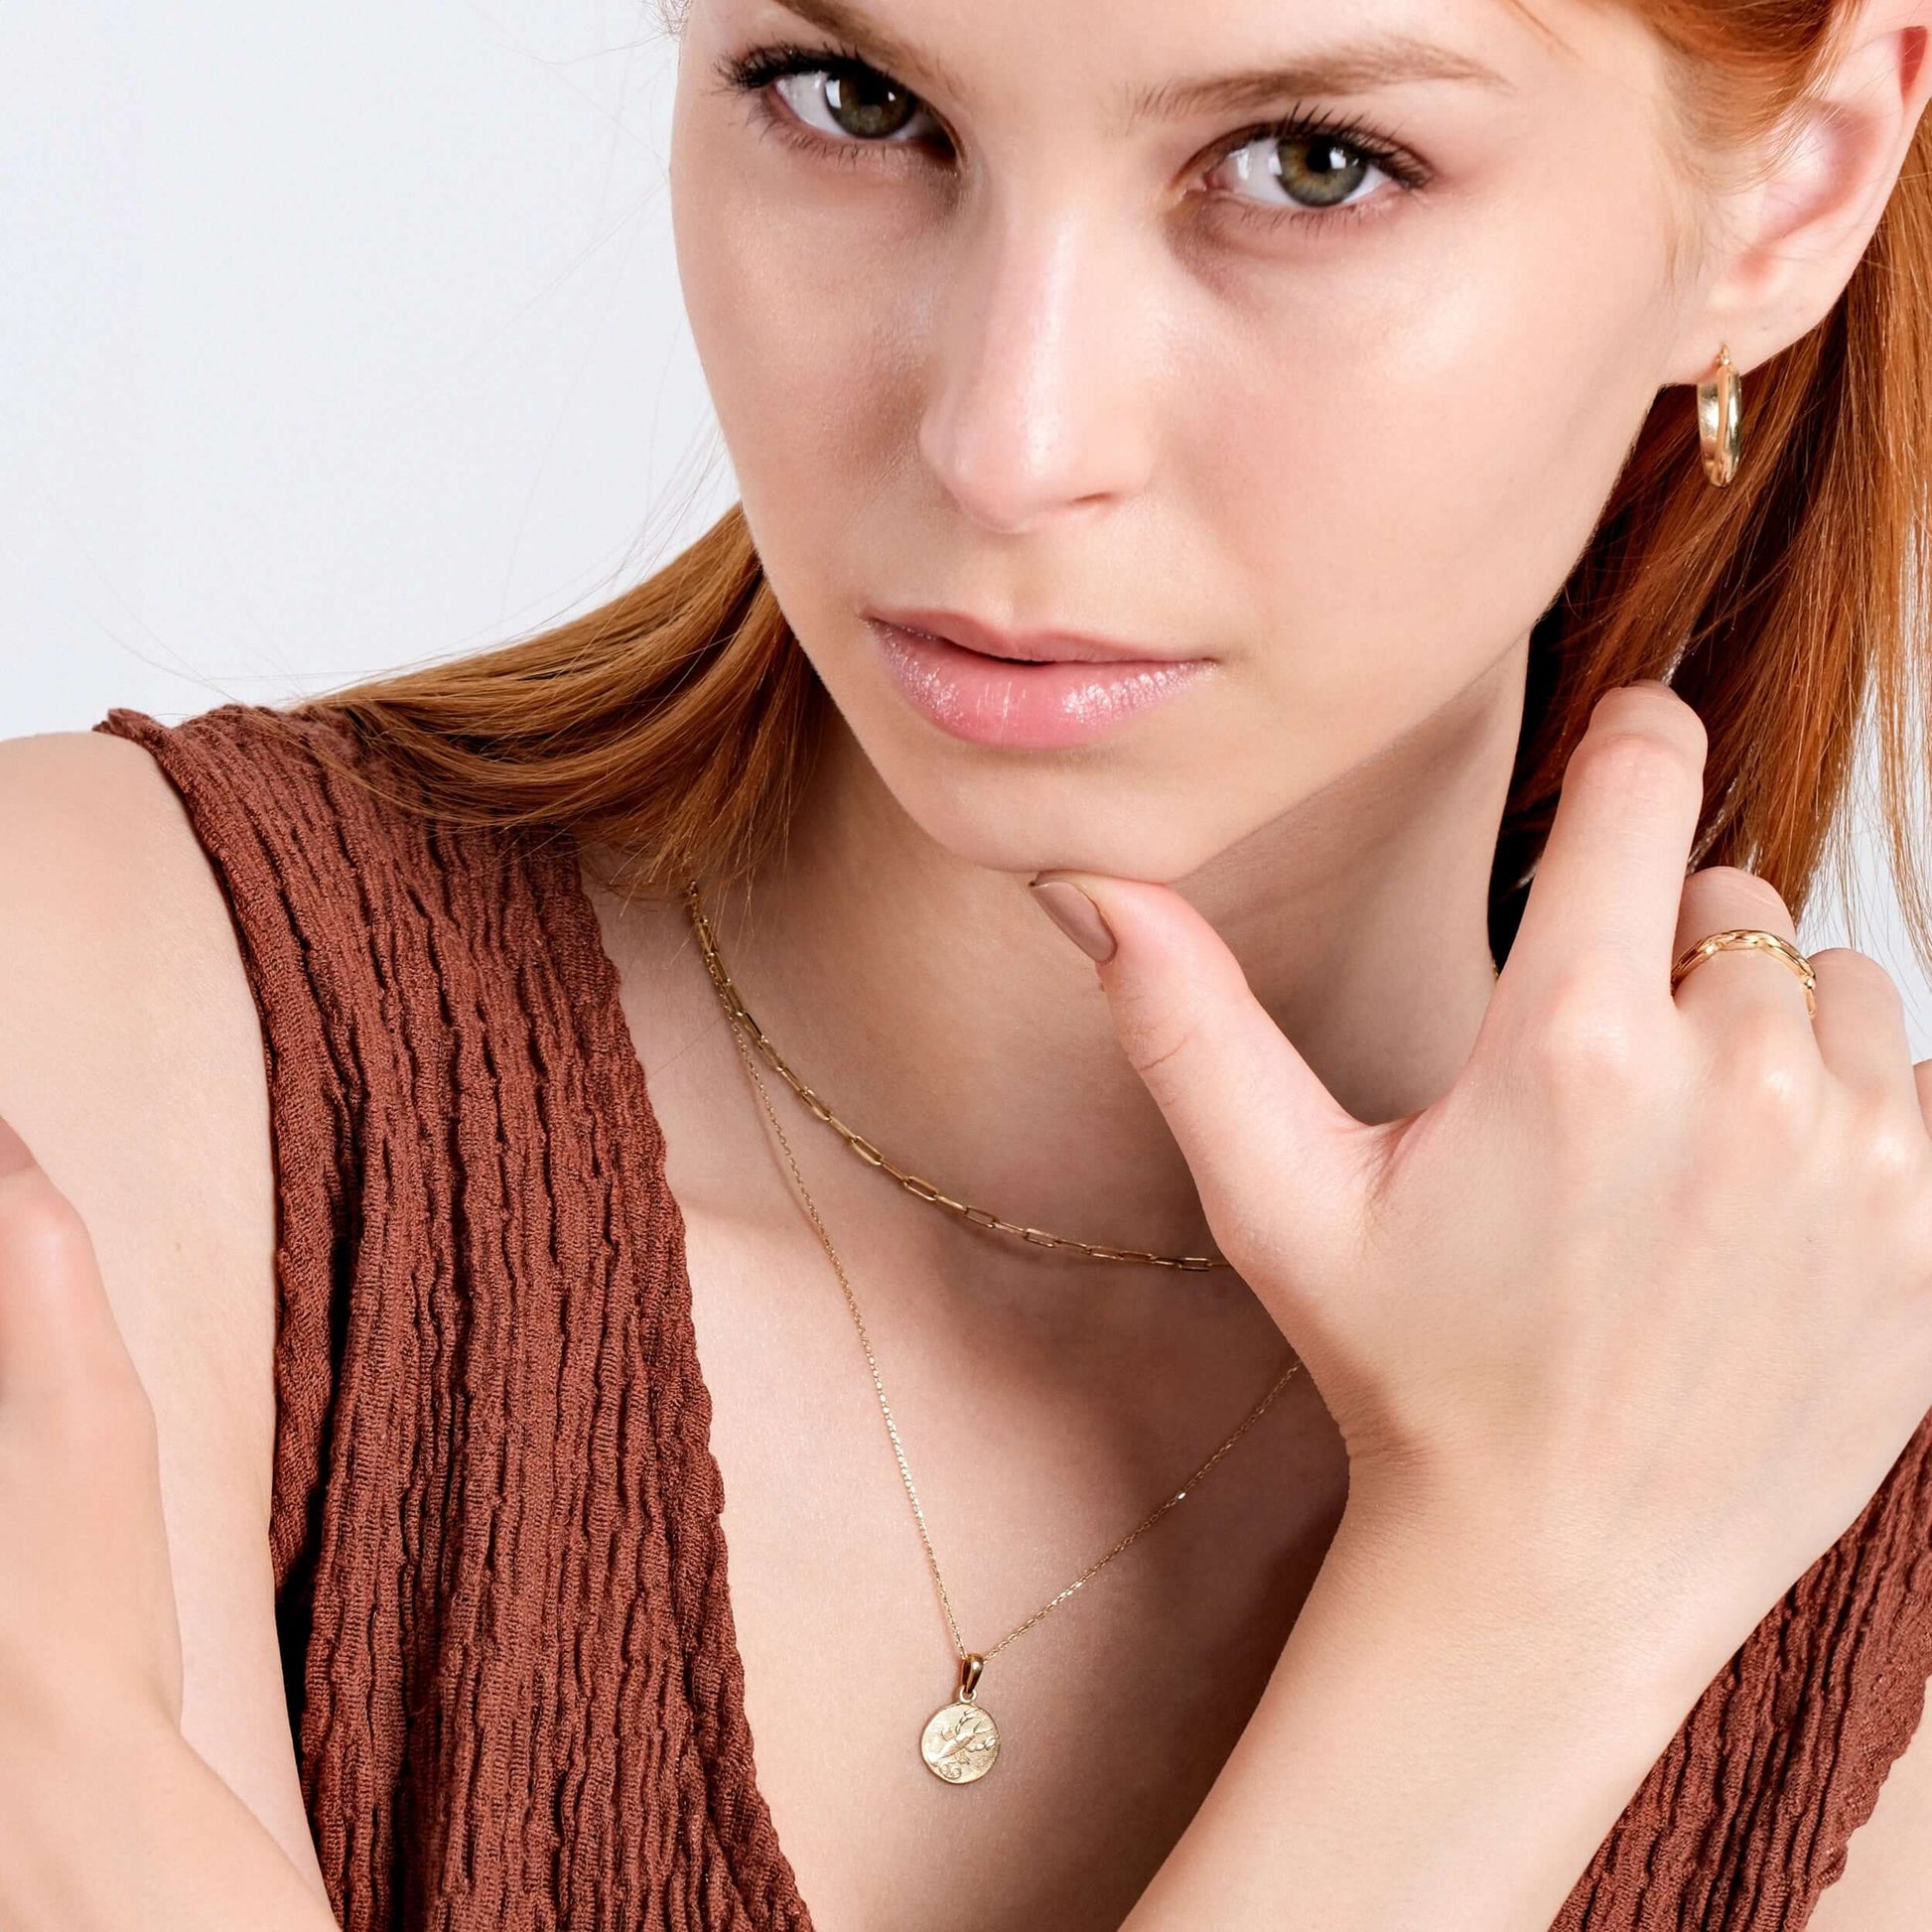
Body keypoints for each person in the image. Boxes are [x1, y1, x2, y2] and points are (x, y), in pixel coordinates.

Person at [4, 0, 1932, 1924]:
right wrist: (1533, 1615)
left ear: (1797, 186)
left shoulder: (1866, 1500)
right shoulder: (108, 1025)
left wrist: (1537, 1582)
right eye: (852, 101)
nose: (1005, 444)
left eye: (1308, 165)